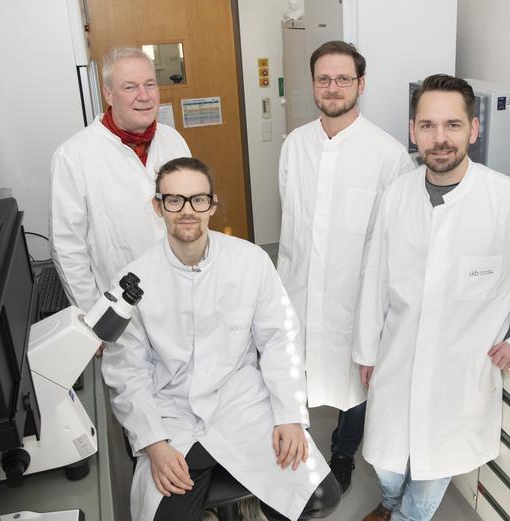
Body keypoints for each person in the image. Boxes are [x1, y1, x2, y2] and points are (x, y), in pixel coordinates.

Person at [353, 74, 510, 521]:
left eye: (453, 126)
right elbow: (374, 276)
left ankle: (406, 517)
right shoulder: (397, 195)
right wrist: (366, 347)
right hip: (396, 358)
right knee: (385, 458)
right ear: (412, 130)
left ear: (474, 130)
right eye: (428, 126)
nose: (440, 139)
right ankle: (387, 503)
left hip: (457, 375)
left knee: (430, 474)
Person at [102, 157, 341, 521]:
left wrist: (290, 416)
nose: (187, 211)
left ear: (212, 205)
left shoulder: (250, 261)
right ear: (157, 206)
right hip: (174, 418)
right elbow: (125, 371)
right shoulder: (134, 280)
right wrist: (153, 444)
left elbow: (281, 341)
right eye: (174, 200)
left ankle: (251, 502)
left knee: (320, 496)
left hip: (242, 407)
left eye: (198, 200)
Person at [277, 40, 415, 493]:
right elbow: (290, 227)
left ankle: (341, 452)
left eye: (343, 79)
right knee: (291, 372)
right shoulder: (295, 145)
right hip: (297, 291)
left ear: (361, 83)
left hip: (357, 301)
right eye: (323, 79)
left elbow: (395, 245)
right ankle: (294, 443)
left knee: (355, 384)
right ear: (313, 84)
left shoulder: (388, 155)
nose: (332, 88)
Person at [50, 47, 190, 320]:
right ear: (108, 94)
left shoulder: (173, 140)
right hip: (121, 310)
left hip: (181, 293)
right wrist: (94, 316)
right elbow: (67, 247)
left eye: (150, 84)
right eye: (130, 87)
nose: (144, 96)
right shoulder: (73, 156)